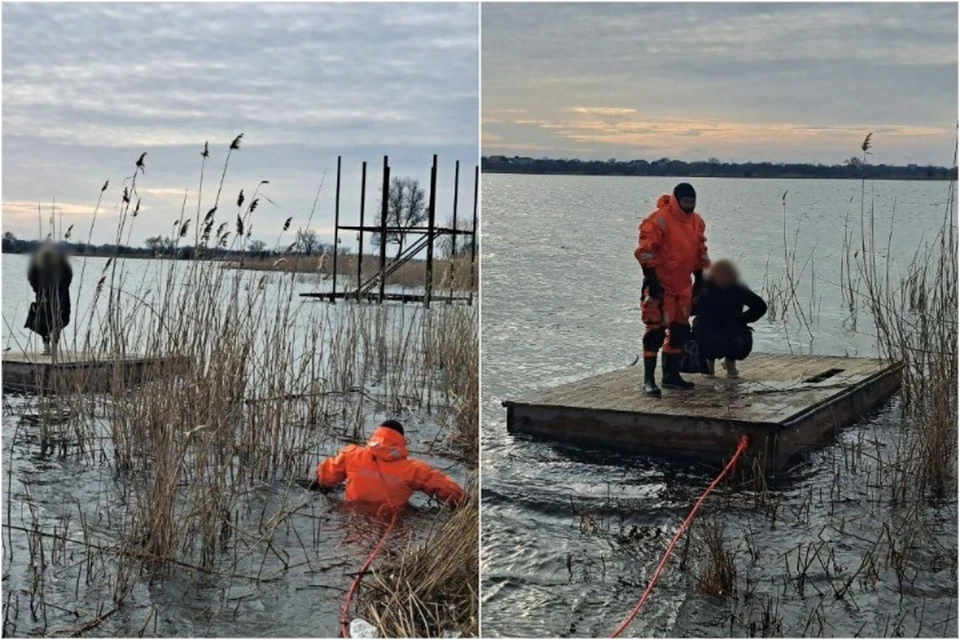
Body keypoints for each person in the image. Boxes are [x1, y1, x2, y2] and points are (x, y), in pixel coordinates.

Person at [634, 182, 710, 397]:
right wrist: (653, 281)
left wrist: (700, 279)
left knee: (680, 332)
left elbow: (700, 251)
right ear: (677, 200)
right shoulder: (658, 220)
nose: (689, 207)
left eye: (692, 203)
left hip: (683, 287)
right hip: (660, 284)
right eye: (685, 202)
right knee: (654, 332)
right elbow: (645, 252)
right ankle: (648, 380)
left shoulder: (697, 222)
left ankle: (671, 376)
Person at [313, 420, 465, 509]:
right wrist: (465, 503)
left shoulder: (351, 454)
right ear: (400, 441)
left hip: (352, 512)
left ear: (376, 436)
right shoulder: (414, 469)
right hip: (394, 519)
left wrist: (320, 483)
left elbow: (326, 476)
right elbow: (449, 490)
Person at [692, 260, 767, 378]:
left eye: (726, 274)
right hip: (707, 326)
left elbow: (760, 306)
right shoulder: (703, 287)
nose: (722, 277)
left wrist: (743, 319)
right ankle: (708, 362)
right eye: (719, 274)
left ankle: (730, 362)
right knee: (707, 338)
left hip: (732, 326)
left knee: (739, 340)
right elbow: (690, 309)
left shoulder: (738, 288)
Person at [25, 243, 73, 355]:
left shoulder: (39, 262)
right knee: (55, 321)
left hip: (51, 295)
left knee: (45, 321)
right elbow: (68, 278)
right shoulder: (61, 263)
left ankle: (47, 347)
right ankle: (52, 347)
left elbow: (31, 277)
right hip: (57, 296)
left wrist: (38, 289)